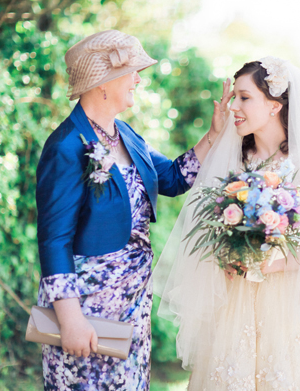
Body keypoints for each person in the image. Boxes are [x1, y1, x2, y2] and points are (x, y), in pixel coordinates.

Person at [35, 29, 229, 390]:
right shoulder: (64, 146)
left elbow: (172, 178)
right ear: (103, 82)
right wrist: (70, 317)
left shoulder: (126, 134)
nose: (139, 79)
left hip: (133, 302)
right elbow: (53, 240)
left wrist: (213, 136)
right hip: (87, 306)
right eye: (132, 71)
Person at [153, 57, 300, 390]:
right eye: (234, 97)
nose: (234, 105)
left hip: (289, 307)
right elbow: (206, 229)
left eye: (244, 97)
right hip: (234, 304)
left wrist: (262, 265)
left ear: (275, 106)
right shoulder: (233, 161)